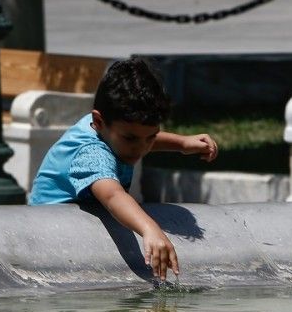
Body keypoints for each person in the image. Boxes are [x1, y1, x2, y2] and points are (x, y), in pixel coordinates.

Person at [29, 58, 218, 281]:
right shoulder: (91, 153)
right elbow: (112, 195)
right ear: (98, 121)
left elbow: (140, 137)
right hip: (48, 237)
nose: (141, 148)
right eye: (130, 138)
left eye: (150, 137)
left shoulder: (109, 129)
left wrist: (181, 144)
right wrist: (150, 229)